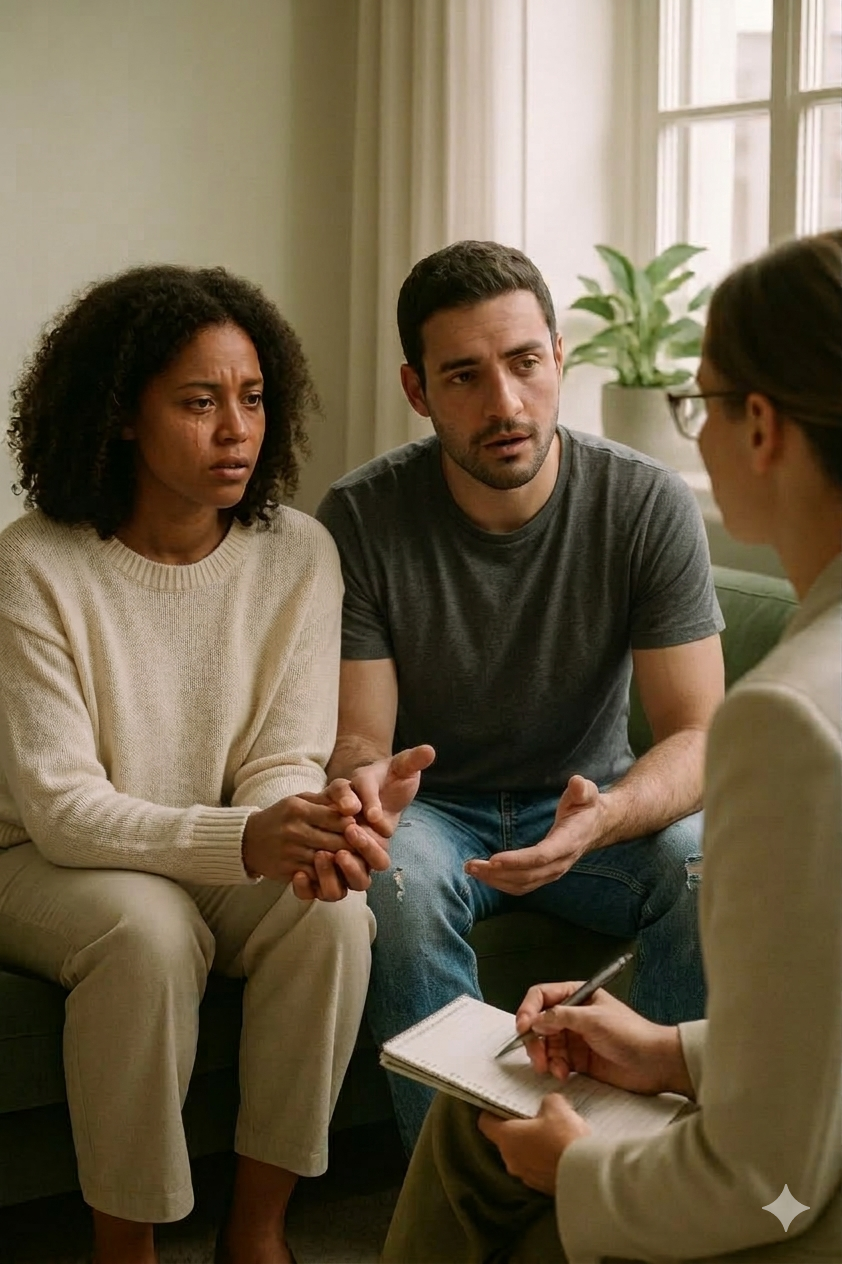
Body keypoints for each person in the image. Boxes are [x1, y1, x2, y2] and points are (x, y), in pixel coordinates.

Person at [382, 229, 842, 1263]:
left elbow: (771, 1186)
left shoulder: (788, 721)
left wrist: (578, 1169)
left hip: (790, 1214)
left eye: (700, 402)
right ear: (419, 389)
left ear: (758, 425)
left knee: (484, 1130)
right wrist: (673, 1051)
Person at [0, 264, 401, 1264]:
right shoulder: (32, 564)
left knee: (333, 911)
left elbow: (276, 752)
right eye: (199, 401)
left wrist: (308, 823)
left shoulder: (298, 552)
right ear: (124, 415)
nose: (237, 428)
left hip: (206, 844)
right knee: (147, 930)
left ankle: (255, 1232)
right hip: (43, 859)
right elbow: (58, 805)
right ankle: (122, 1243)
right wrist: (243, 836)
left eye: (254, 398)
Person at [316, 239, 725, 1149]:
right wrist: (363, 786)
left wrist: (606, 815)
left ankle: (644, 1169)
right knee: (396, 883)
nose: (504, 403)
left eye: (524, 363)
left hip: (587, 803)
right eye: (462, 376)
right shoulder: (361, 516)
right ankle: (463, 1202)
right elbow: (360, 739)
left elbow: (699, 735)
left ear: (558, 358)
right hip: (437, 812)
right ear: (417, 391)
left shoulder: (645, 502)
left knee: (703, 856)